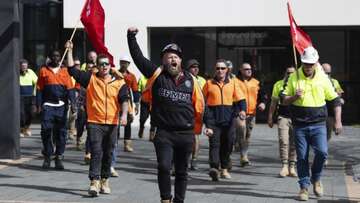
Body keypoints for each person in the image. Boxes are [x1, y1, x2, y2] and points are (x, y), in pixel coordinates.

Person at [127, 27, 204, 203]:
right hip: (164, 133)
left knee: (182, 171)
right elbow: (138, 58)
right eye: (169, 57)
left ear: (180, 60)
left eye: (175, 56)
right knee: (163, 166)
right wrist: (131, 37)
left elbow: (200, 105)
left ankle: (179, 200)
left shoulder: (190, 80)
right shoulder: (156, 74)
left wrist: (203, 127)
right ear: (163, 61)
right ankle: (165, 199)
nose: (172, 59)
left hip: (186, 133)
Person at [65, 41, 129, 197]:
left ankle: (104, 180)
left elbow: (125, 100)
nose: (104, 66)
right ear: (97, 66)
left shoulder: (120, 82)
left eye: (107, 64)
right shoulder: (90, 79)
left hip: (112, 123)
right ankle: (94, 181)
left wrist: (124, 115)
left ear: (110, 66)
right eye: (101, 64)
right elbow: (72, 70)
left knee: (108, 153)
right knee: (96, 151)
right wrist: (70, 51)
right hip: (95, 122)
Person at [281, 47, 342, 201]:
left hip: (319, 124)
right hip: (300, 125)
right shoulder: (293, 77)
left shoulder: (323, 78)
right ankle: (303, 187)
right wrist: (295, 96)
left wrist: (338, 121)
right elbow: (284, 100)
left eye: (311, 64)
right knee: (302, 157)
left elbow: (335, 100)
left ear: (316, 63)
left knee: (322, 153)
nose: (308, 67)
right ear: (302, 62)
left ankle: (316, 178)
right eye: (306, 63)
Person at [203, 59, 246, 181]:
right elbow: (202, 100)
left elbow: (241, 99)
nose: (220, 70)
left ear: (227, 70)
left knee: (228, 144)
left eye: (222, 68)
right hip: (213, 119)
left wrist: (242, 110)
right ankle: (214, 169)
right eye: (218, 68)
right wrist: (204, 119)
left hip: (229, 119)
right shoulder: (209, 84)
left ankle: (225, 169)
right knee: (214, 144)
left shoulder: (233, 83)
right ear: (215, 70)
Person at [36, 50, 76, 170]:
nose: (56, 58)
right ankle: (47, 156)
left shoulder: (65, 71)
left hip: (62, 106)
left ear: (60, 58)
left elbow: (70, 89)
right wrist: (38, 104)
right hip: (48, 105)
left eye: (58, 56)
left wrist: (73, 103)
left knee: (61, 132)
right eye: (53, 56)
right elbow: (39, 89)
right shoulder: (43, 70)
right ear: (50, 57)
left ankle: (58, 157)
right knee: (46, 130)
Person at [234, 63, 266, 167]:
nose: (249, 71)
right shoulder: (235, 81)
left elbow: (263, 95)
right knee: (241, 129)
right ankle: (241, 152)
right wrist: (238, 110)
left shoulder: (256, 82)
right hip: (239, 113)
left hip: (252, 113)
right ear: (241, 70)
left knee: (247, 135)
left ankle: (244, 155)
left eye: (250, 69)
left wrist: (263, 103)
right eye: (246, 69)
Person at [267, 66, 297, 178]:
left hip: (296, 118)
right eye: (288, 72)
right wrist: (270, 117)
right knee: (283, 141)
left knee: (294, 143)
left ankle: (292, 166)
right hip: (283, 116)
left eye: (292, 73)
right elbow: (274, 102)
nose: (290, 75)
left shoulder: (299, 84)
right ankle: (284, 166)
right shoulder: (278, 85)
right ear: (285, 73)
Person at [186, 59, 206, 170]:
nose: (196, 69)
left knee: (195, 136)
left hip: (197, 113)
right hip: (186, 113)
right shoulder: (184, 79)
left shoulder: (202, 80)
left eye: (197, 67)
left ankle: (194, 159)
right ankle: (183, 159)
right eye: (193, 67)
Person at [118, 55, 140, 152]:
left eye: (125, 63)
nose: (124, 64)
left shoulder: (131, 76)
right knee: (115, 122)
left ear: (128, 64)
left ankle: (127, 144)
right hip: (115, 98)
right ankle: (114, 142)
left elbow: (135, 91)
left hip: (127, 100)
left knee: (128, 122)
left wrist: (137, 104)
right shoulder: (114, 73)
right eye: (122, 62)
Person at [19, 59, 38, 137]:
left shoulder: (30, 72)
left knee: (31, 113)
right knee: (21, 114)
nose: (24, 67)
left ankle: (26, 127)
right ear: (19, 66)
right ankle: (21, 129)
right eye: (22, 66)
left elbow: (37, 82)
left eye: (25, 66)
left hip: (30, 96)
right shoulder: (17, 73)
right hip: (20, 96)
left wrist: (35, 93)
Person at [137, 75, 157, 140]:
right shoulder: (142, 78)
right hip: (144, 101)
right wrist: (138, 100)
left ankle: (152, 134)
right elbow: (139, 90)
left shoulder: (156, 77)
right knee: (143, 118)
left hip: (154, 102)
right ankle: (141, 127)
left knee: (154, 119)